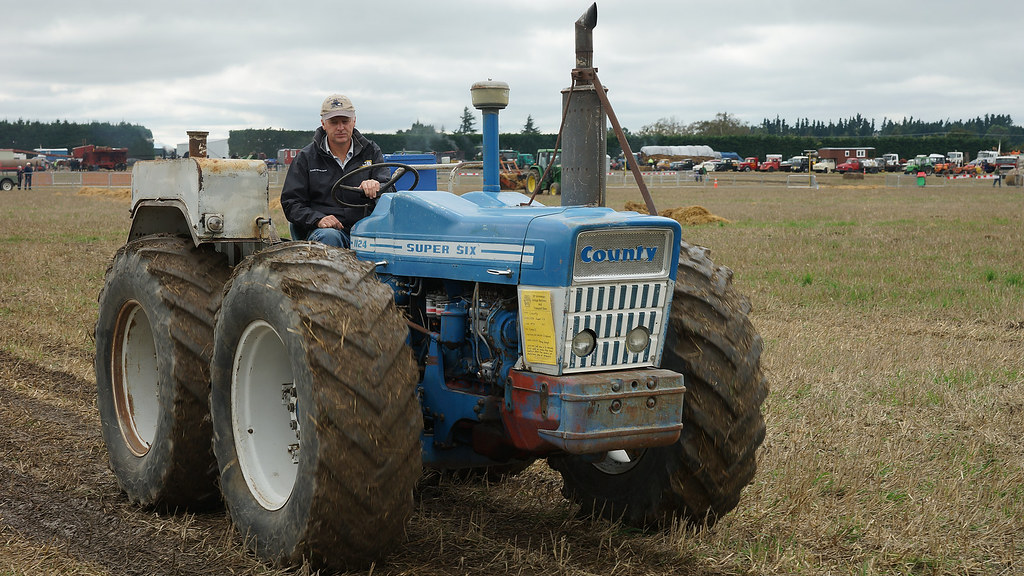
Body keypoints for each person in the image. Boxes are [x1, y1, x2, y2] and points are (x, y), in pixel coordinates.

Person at [281, 94, 390, 248]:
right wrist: (318, 219)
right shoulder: (306, 158)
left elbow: (389, 188)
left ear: (354, 121)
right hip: (327, 231)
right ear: (323, 124)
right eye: (333, 122)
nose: (340, 128)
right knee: (329, 236)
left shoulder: (371, 151)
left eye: (345, 121)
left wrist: (377, 185)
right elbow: (291, 203)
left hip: (366, 230)